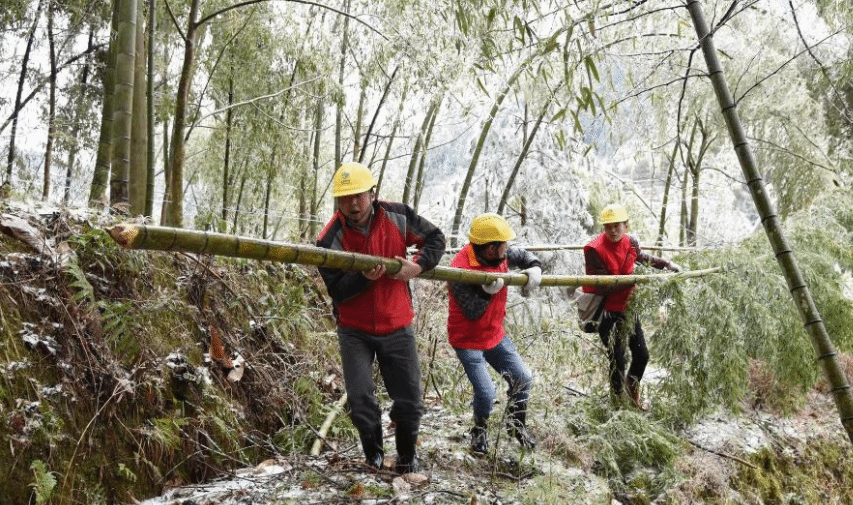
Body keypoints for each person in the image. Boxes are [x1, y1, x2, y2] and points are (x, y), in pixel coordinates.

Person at [315, 161, 446, 473]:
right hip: (354, 330)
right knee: (361, 399)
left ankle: (406, 458)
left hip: (398, 324)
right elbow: (337, 291)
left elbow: (436, 238)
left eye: (360, 195)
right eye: (346, 199)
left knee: (411, 400)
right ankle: (372, 455)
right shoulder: (328, 238)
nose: (354, 204)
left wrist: (418, 265)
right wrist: (364, 277)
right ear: (338, 202)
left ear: (372, 194)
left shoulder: (398, 215)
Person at [446, 213, 542, 454]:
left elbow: (522, 254)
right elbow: (472, 311)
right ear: (489, 249)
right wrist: (487, 291)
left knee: (523, 378)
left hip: (494, 334)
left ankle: (516, 425)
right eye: (503, 245)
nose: (507, 248)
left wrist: (534, 267)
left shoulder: (501, 252)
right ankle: (479, 432)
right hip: (467, 340)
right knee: (487, 392)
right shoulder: (458, 270)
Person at [582, 203, 681, 410]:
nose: (613, 230)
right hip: (606, 311)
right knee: (617, 359)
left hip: (628, 307)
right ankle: (617, 405)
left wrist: (667, 265)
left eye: (617, 225)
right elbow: (602, 284)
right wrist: (635, 281)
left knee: (642, 355)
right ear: (604, 228)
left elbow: (643, 259)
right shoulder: (593, 249)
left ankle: (631, 389)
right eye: (608, 226)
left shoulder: (631, 242)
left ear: (625, 225)